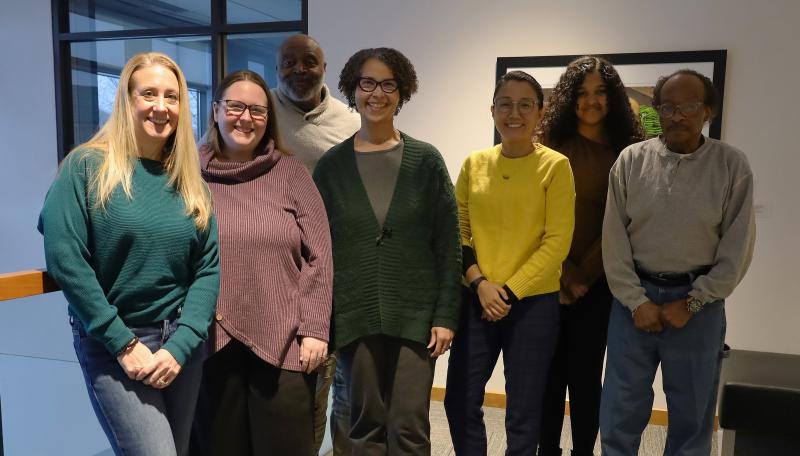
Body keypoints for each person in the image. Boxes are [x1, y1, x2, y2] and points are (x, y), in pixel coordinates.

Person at [38, 52, 220, 456]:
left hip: (180, 347)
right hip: (114, 343)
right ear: (126, 99)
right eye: (149, 94)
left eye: (171, 97)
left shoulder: (188, 178)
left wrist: (182, 343)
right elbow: (65, 260)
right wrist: (123, 343)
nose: (161, 106)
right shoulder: (85, 167)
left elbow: (207, 268)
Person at [312, 47, 461, 456]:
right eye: (367, 83)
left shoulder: (425, 161)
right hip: (354, 312)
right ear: (352, 89)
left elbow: (449, 243)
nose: (377, 93)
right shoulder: (331, 167)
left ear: (402, 93)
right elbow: (318, 252)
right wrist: (323, 322)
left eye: (388, 84)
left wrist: (446, 315)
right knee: (362, 425)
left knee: (409, 426)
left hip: (415, 315)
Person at [600, 69, 756, 456]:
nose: (677, 116)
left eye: (688, 106)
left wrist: (694, 302)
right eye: (667, 107)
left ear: (707, 111)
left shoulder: (731, 166)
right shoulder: (631, 161)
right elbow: (614, 241)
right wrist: (637, 302)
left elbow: (737, 249)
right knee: (620, 413)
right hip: (632, 305)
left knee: (692, 419)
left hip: (697, 307)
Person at [195, 70, 333, 455]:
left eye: (257, 110)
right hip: (209, 339)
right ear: (216, 111)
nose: (246, 118)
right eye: (235, 106)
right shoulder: (188, 173)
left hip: (284, 339)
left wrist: (315, 329)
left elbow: (320, 255)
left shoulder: (291, 173)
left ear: (268, 118)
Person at [444, 70, 576, 455]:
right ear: (492, 111)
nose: (513, 113)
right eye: (505, 104)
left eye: (524, 105)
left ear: (540, 113)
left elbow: (557, 242)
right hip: (476, 299)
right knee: (459, 400)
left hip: (533, 304)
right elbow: (458, 232)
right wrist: (480, 284)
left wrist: (508, 293)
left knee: (524, 409)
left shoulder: (556, 167)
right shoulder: (474, 164)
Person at [536, 56, 644, 456]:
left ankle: (584, 450)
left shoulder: (630, 152)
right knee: (548, 375)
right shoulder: (547, 145)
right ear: (568, 98)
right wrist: (564, 271)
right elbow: (537, 215)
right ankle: (547, 449)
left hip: (601, 282)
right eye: (581, 93)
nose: (591, 101)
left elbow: (625, 223)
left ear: (613, 98)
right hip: (549, 277)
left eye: (600, 92)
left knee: (585, 378)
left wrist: (584, 275)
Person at [271, 33, 360, 455]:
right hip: (275, 273)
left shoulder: (351, 122)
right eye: (288, 62)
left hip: (335, 271)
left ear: (324, 67)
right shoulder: (260, 112)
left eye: (308, 61)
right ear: (277, 68)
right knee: (288, 390)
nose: (298, 70)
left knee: (335, 385)